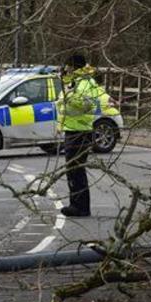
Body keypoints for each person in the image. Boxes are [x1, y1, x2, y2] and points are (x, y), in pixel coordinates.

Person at [55, 54, 102, 217]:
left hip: (80, 131)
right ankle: (76, 204)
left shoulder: (86, 83)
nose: (64, 68)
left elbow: (88, 106)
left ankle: (81, 207)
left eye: (67, 65)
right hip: (72, 129)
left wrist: (69, 97)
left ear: (73, 66)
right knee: (73, 170)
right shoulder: (75, 82)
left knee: (76, 170)